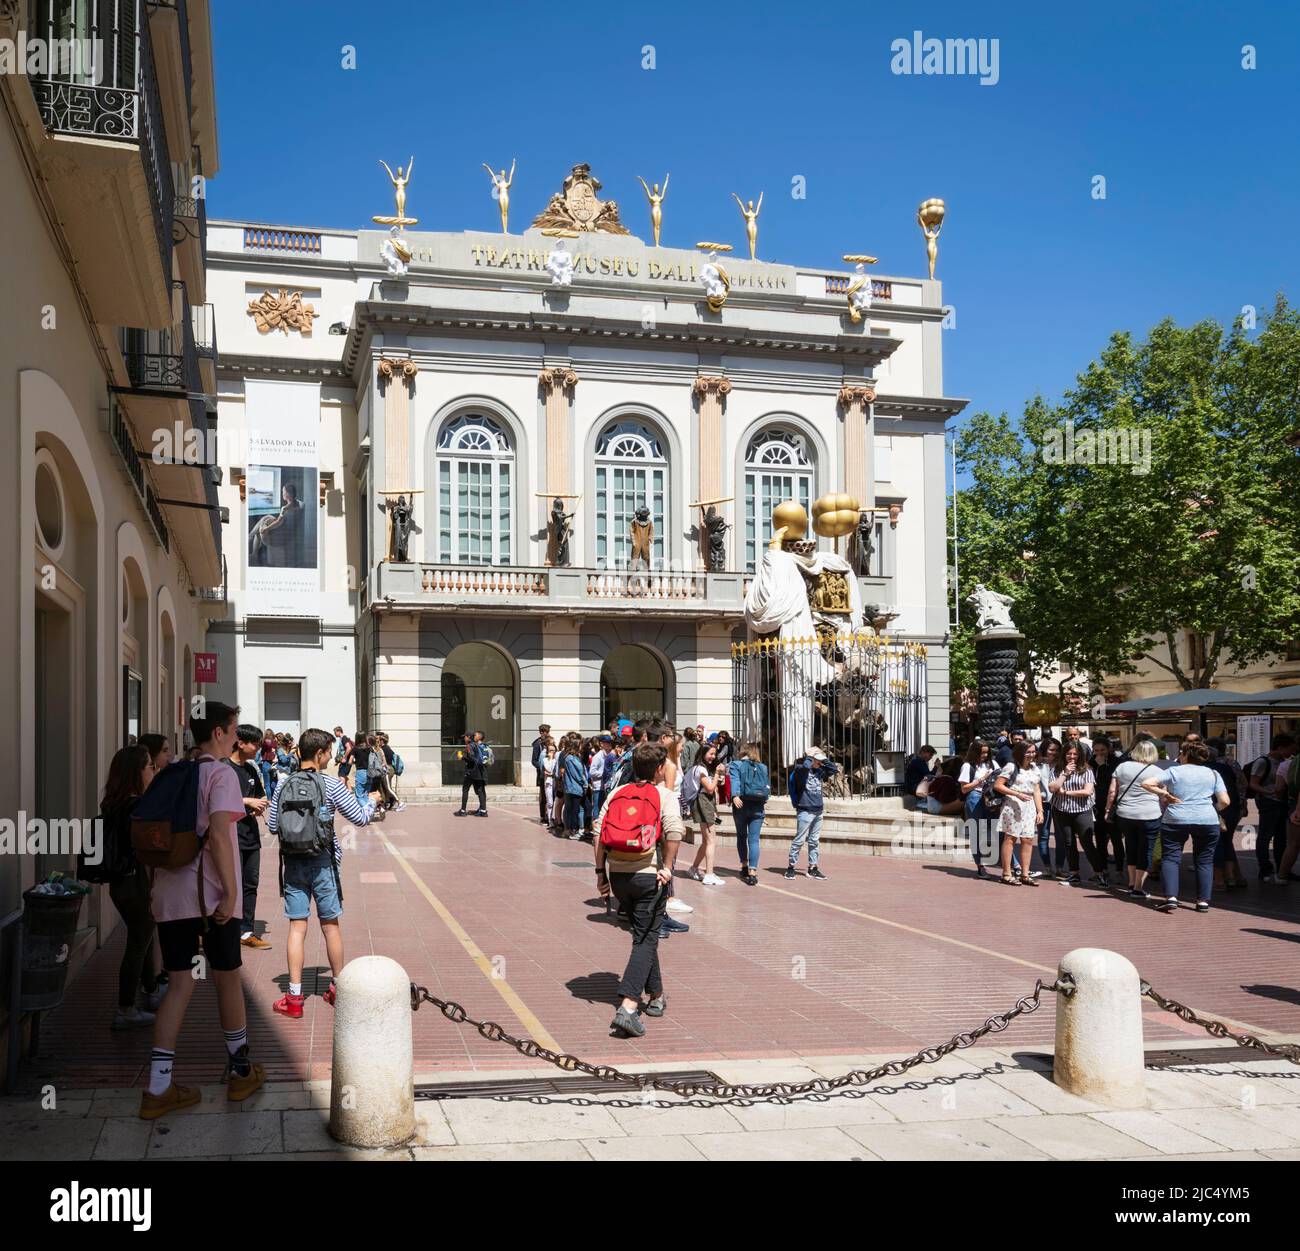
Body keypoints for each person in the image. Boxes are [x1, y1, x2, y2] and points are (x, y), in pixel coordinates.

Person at [140, 701, 265, 1119]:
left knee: (179, 986)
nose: (235, 737)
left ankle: (158, 1089)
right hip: (210, 899)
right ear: (217, 733)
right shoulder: (219, 773)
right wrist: (231, 893)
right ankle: (241, 1071)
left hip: (170, 895)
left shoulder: (173, 770)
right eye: (231, 731)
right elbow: (219, 836)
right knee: (227, 979)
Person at [268, 727, 375, 1017]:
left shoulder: (283, 785)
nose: (332, 756)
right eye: (329, 751)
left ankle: (293, 998)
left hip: (292, 864)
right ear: (319, 753)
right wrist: (373, 801)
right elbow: (361, 818)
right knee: (330, 926)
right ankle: (338, 989)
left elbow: (272, 826)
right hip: (324, 863)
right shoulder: (332, 786)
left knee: (296, 928)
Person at [593, 742, 683, 1038]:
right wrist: (667, 867)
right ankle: (628, 1007)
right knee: (645, 939)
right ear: (659, 769)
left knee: (644, 933)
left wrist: (600, 873)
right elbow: (674, 832)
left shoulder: (617, 793)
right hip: (648, 876)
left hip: (619, 877)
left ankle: (656, 997)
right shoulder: (664, 795)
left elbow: (598, 833)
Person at [93, 745, 163, 1030]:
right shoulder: (137, 807)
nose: (154, 770)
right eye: (150, 766)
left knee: (142, 935)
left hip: (121, 884)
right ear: (137, 771)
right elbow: (147, 852)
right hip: (137, 883)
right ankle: (126, 1008)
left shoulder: (114, 803)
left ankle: (150, 991)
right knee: (138, 942)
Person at [1142, 741, 1229, 913]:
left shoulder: (1174, 771)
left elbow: (1147, 783)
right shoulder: (1213, 773)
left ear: (1186, 755)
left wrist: (1164, 794)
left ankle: (1171, 897)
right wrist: (1212, 809)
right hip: (1207, 819)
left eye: (1181, 753)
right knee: (1204, 860)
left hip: (1176, 818)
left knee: (1171, 858)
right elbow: (1225, 801)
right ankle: (1203, 901)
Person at [228, 723, 271, 951]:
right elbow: (214, 802)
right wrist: (245, 802)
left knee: (250, 884)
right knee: (227, 885)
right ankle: (224, 930)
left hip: (250, 837)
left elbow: (261, 797)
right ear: (241, 743)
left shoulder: (252, 769)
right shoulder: (223, 768)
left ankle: (246, 930)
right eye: (255, 743)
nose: (258, 748)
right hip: (228, 837)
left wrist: (259, 805)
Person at [1107, 738, 1162, 899]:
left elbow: (1112, 792)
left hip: (1125, 814)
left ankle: (1131, 882)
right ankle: (1138, 887)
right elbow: (1164, 795)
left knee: (1130, 846)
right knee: (1146, 850)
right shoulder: (1157, 771)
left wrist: (1107, 810)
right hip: (1150, 814)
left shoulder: (1122, 766)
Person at [1047, 743, 1106, 887]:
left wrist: (1066, 792)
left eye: (1075, 754)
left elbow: (1087, 791)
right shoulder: (1057, 769)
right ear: (1064, 754)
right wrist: (1065, 774)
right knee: (1068, 843)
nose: (1072, 757)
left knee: (1087, 843)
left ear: (1080, 755)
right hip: (1061, 810)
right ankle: (1074, 873)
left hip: (1082, 810)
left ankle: (1099, 874)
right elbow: (1052, 788)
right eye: (1069, 754)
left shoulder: (1086, 770)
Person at [994, 739, 1043, 886]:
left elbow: (1036, 790)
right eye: (1028, 752)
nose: (1031, 754)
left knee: (1028, 839)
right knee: (1010, 838)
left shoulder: (1035, 768)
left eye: (1033, 751)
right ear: (1020, 752)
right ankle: (1006, 873)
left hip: (1029, 806)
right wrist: (1017, 794)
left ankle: (1025, 874)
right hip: (1013, 805)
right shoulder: (1011, 766)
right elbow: (998, 785)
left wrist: (1040, 810)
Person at [1249, 734, 1296, 884]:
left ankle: (1282, 868)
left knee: (1281, 837)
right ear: (1281, 747)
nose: (1292, 753)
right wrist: (1269, 792)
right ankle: (1265, 869)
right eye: (1290, 749)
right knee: (1265, 835)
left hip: (1282, 803)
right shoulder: (1263, 762)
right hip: (1268, 802)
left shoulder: (1285, 762)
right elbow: (1253, 783)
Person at [786, 746, 837, 880]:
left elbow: (833, 769)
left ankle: (813, 867)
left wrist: (823, 759)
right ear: (810, 759)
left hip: (818, 810)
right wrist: (809, 756)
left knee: (814, 841)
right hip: (805, 810)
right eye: (817, 760)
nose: (819, 763)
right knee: (799, 840)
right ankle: (791, 867)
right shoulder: (800, 770)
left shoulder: (819, 771)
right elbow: (803, 768)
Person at [1206, 737, 1247, 891]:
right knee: (1227, 841)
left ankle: (1219, 880)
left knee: (1215, 843)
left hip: (1214, 808)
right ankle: (1232, 876)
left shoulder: (1205, 769)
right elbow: (1241, 783)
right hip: (1232, 807)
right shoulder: (1229, 765)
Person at [728, 741, 770, 886]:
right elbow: (766, 787)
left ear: (743, 752)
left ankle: (744, 867)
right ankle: (753, 872)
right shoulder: (763, 767)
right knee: (754, 840)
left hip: (741, 804)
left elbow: (734, 780)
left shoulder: (736, 765)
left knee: (741, 836)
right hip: (758, 806)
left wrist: (735, 796)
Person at [685, 742, 724, 885]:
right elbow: (710, 788)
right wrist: (717, 774)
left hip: (704, 803)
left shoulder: (699, 768)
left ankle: (694, 868)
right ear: (703, 754)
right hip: (703, 802)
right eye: (711, 754)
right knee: (711, 840)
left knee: (706, 841)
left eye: (714, 754)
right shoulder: (701, 769)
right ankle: (709, 874)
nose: (713, 757)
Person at [958, 740, 995, 878]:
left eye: (986, 752)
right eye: (982, 752)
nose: (985, 755)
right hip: (975, 798)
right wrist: (981, 780)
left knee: (998, 831)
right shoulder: (968, 766)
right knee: (977, 833)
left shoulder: (992, 763)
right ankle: (980, 865)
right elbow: (964, 789)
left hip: (991, 800)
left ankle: (1013, 865)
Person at [1090, 738, 1122, 884]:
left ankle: (1120, 870)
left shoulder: (1116, 763)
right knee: (1100, 840)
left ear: (1109, 749)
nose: (1099, 753)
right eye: (1096, 750)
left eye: (1102, 750)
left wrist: (1103, 767)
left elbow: (1114, 783)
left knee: (1116, 839)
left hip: (1113, 806)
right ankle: (1102, 870)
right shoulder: (1091, 762)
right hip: (1097, 806)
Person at [455, 731, 489, 817]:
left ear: (468, 737)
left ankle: (463, 811)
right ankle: (483, 811)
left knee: (465, 790)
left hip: (471, 772)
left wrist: (462, 757)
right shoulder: (478, 745)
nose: (464, 738)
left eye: (465, 737)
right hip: (480, 772)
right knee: (481, 791)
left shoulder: (470, 746)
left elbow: (472, 759)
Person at [561, 733, 587, 839]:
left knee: (575, 810)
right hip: (574, 788)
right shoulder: (570, 759)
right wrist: (584, 783)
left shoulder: (575, 757)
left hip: (575, 788)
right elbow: (577, 774)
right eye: (580, 745)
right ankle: (573, 831)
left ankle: (573, 830)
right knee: (574, 810)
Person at [587, 735, 613, 835]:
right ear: (602, 744)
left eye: (610, 742)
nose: (609, 745)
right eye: (607, 743)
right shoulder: (598, 757)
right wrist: (604, 773)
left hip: (606, 787)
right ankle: (595, 833)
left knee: (604, 809)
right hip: (598, 787)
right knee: (597, 810)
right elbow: (592, 772)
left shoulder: (610, 755)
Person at [531, 723, 552, 825]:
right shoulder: (537, 744)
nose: (546, 733)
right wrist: (542, 768)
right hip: (542, 774)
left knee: (550, 796)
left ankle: (550, 816)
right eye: (543, 731)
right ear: (540, 732)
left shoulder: (551, 742)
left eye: (547, 731)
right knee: (543, 796)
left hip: (551, 774)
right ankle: (543, 816)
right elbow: (534, 760)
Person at [348, 731, 369, 803]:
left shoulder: (355, 749)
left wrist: (356, 762)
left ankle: (365, 810)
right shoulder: (370, 748)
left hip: (360, 772)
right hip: (370, 772)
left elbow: (350, 762)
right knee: (366, 794)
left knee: (359, 796)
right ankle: (368, 812)